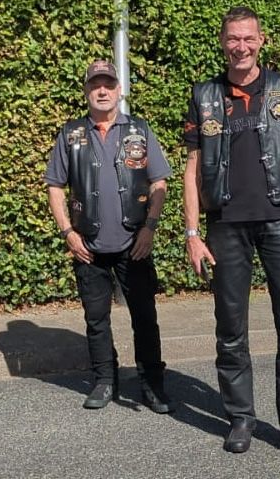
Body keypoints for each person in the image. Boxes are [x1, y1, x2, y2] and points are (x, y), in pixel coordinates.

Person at [182, 7, 280, 461]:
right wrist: (192, 233)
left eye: (248, 38)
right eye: (233, 39)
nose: (241, 47)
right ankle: (240, 418)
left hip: (279, 221)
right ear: (222, 42)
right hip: (225, 225)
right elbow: (192, 170)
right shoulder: (204, 95)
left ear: (261, 41)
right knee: (230, 327)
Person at [44, 59, 173, 413]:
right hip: (88, 246)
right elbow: (54, 186)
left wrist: (149, 228)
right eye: (95, 85)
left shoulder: (140, 130)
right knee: (96, 319)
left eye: (108, 85)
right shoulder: (71, 134)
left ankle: (152, 384)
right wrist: (68, 233)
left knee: (145, 317)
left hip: (135, 243)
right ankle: (104, 380)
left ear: (119, 90)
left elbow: (159, 182)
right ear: (86, 91)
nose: (102, 91)